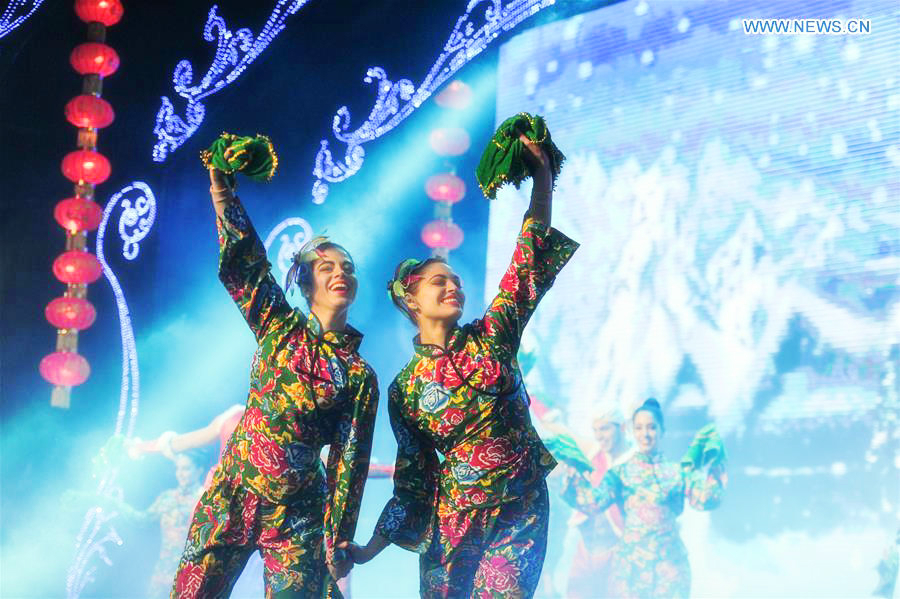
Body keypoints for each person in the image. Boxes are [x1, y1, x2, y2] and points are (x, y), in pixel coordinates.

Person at [349, 132, 578, 598]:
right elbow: (412, 478)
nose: (452, 286)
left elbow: (527, 262)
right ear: (411, 299)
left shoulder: (493, 334)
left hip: (520, 506)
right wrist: (371, 547)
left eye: (455, 281)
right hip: (452, 524)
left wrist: (542, 181)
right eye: (438, 282)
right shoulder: (405, 389)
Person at [170, 164, 379, 598]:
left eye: (348, 268)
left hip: (299, 511)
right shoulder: (279, 325)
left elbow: (349, 462)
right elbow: (247, 269)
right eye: (327, 268)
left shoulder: (359, 376)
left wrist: (338, 536)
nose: (340, 273)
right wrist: (223, 195)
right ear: (304, 283)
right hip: (234, 490)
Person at [561, 398, 727, 598]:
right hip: (631, 571)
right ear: (632, 431)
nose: (645, 434)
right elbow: (591, 503)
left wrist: (716, 462)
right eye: (639, 428)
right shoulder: (620, 473)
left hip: (670, 570)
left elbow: (706, 499)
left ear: (662, 431)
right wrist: (572, 469)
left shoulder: (676, 472)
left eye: (651, 428)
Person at [539, 403, 631, 598]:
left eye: (605, 429)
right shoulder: (595, 453)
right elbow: (559, 430)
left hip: (620, 552)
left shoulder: (635, 461)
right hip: (586, 550)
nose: (599, 435)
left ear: (622, 427)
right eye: (596, 430)